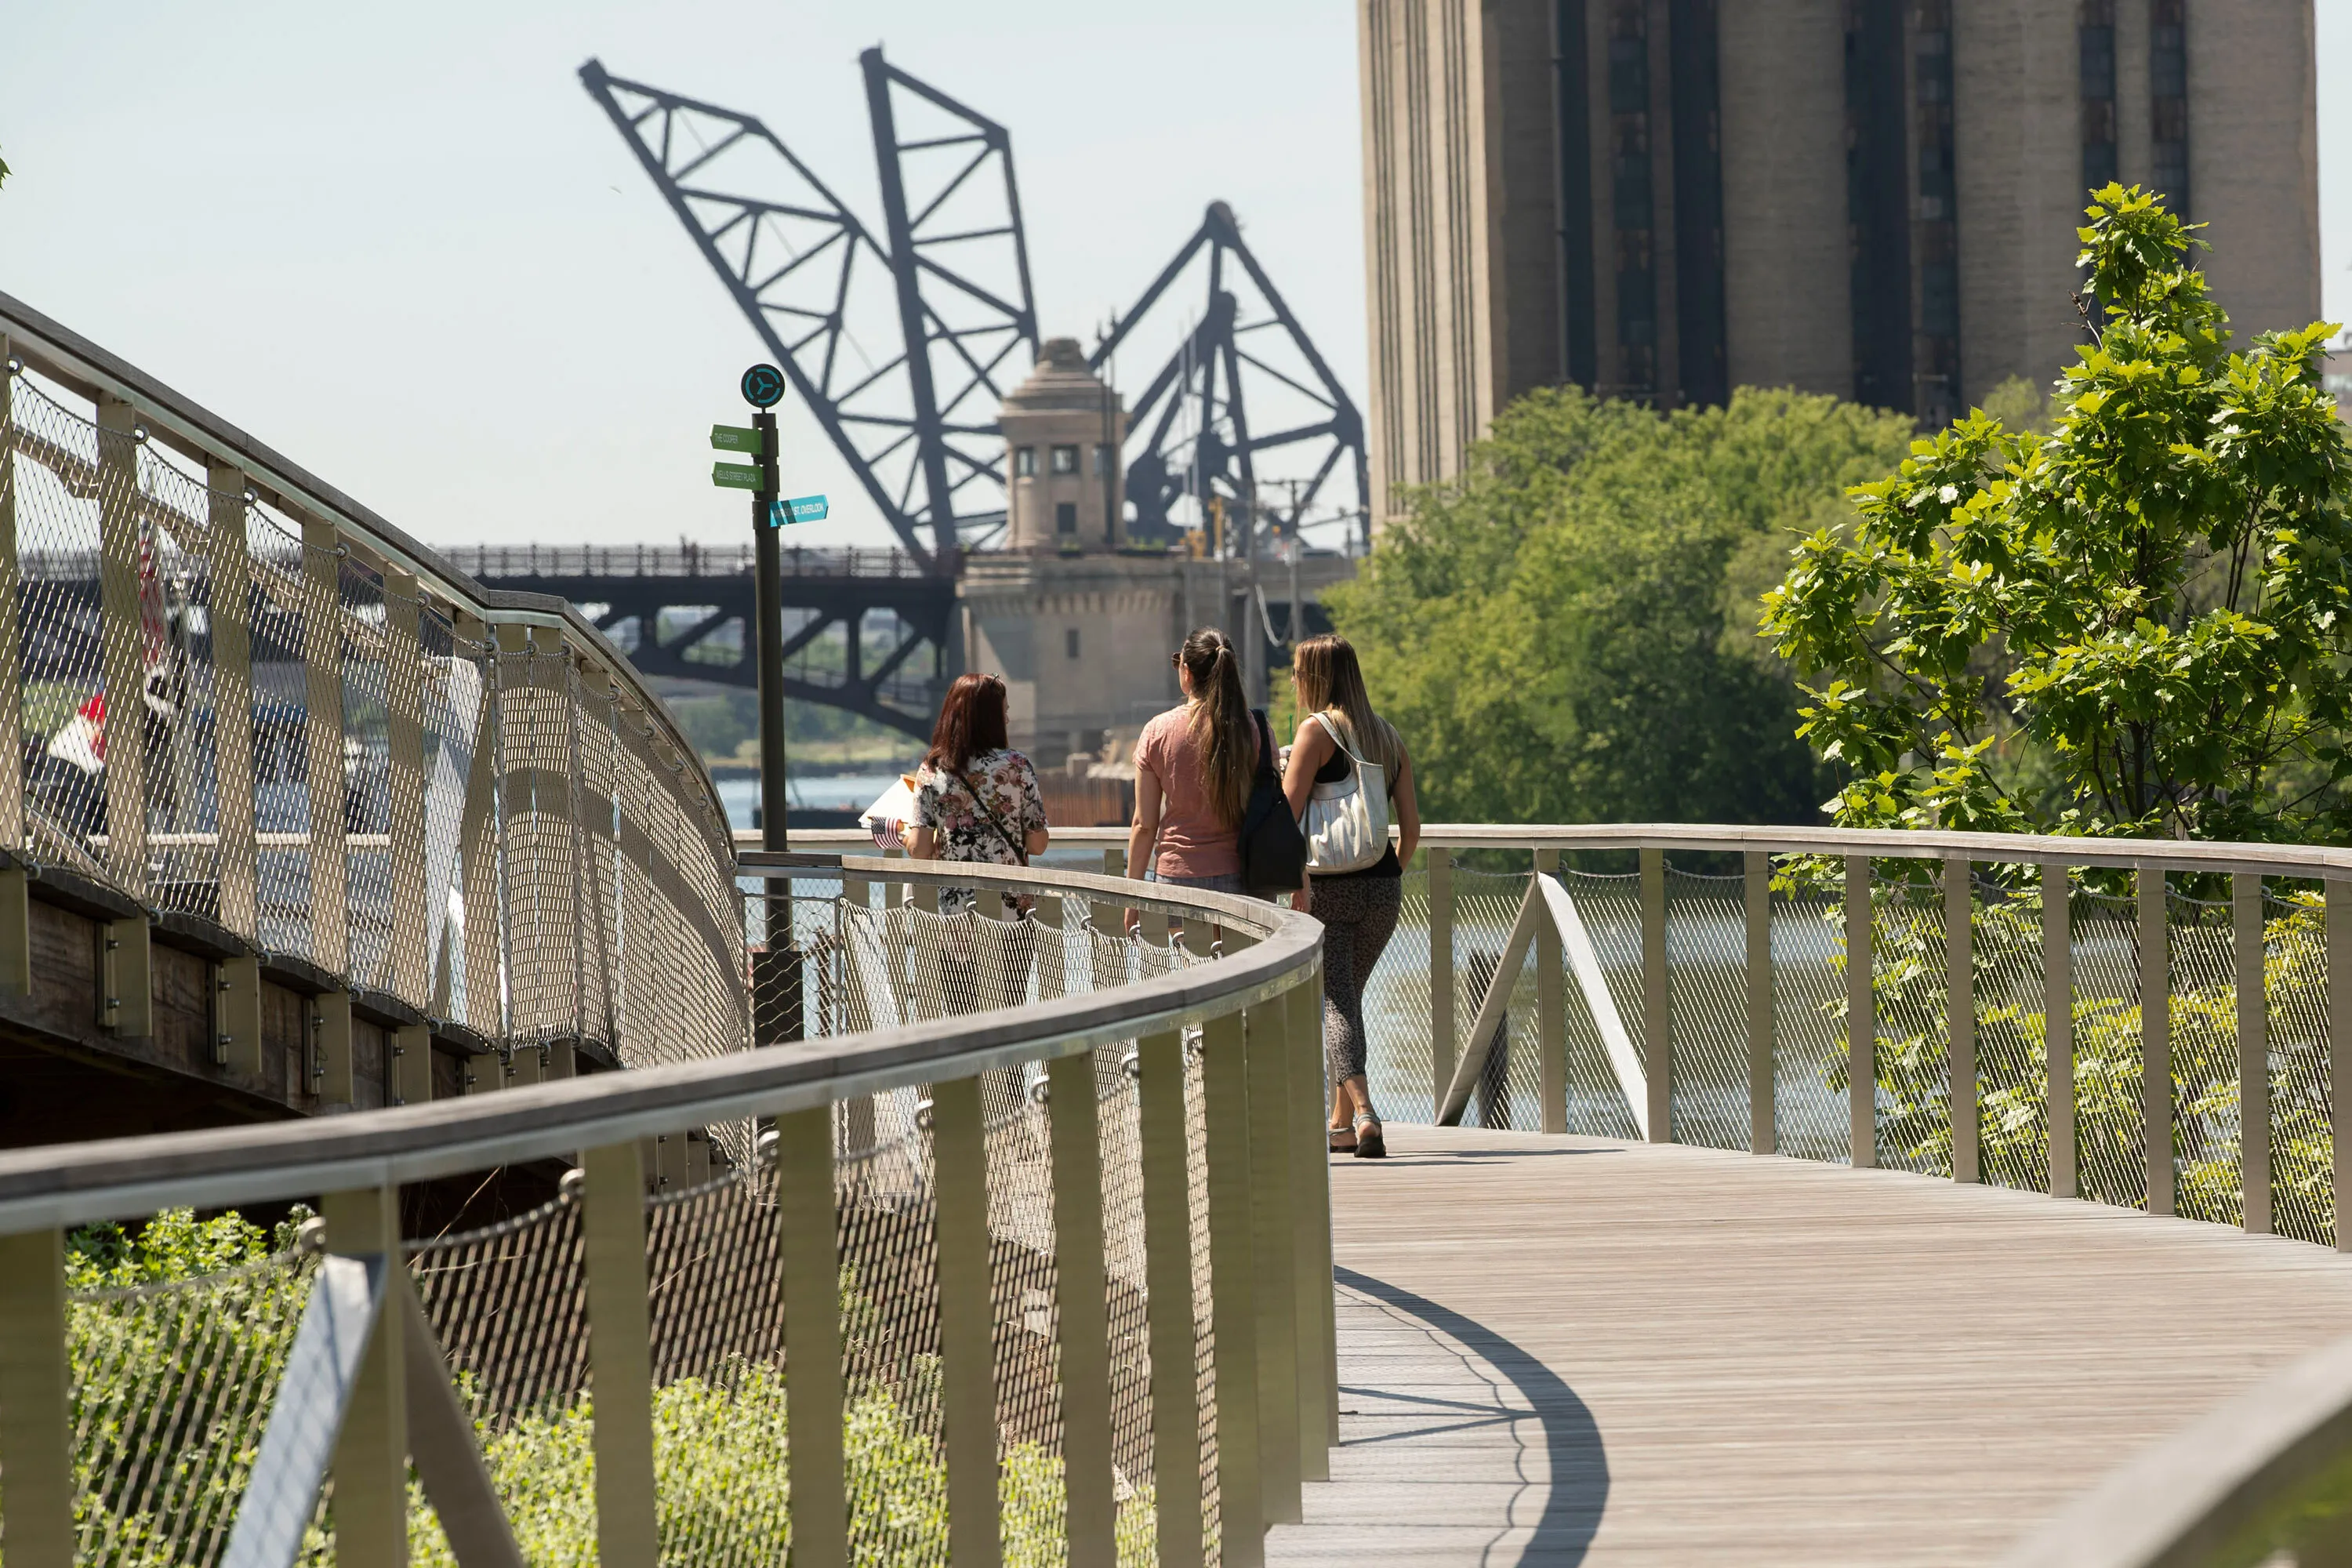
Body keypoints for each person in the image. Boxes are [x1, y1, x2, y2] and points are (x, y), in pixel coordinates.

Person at [1280, 633, 1420, 1159]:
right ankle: (1339, 1125)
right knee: (1349, 1003)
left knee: (1334, 1002)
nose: (1295, 682)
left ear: (1316, 677)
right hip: (1383, 889)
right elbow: (1412, 828)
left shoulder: (1316, 732)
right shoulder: (1388, 737)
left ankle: (1364, 1115)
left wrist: (1300, 879)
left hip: (1329, 889)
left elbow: (1286, 817)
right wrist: (1384, 876)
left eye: (1298, 673)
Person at [1127, 627, 1264, 897]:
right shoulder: (1255, 728)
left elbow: (1144, 825)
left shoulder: (1158, 731)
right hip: (1247, 877)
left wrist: (1131, 895)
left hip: (1179, 879)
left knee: (1185, 942)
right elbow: (1277, 807)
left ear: (1187, 672)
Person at [906, 672, 1051, 919]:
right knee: (1012, 960)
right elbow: (1038, 845)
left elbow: (920, 849)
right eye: (1002, 712)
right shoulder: (1017, 766)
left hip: (957, 914)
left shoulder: (931, 770)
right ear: (990, 720)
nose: (1007, 719)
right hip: (1012, 912)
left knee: (961, 959)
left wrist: (905, 836)